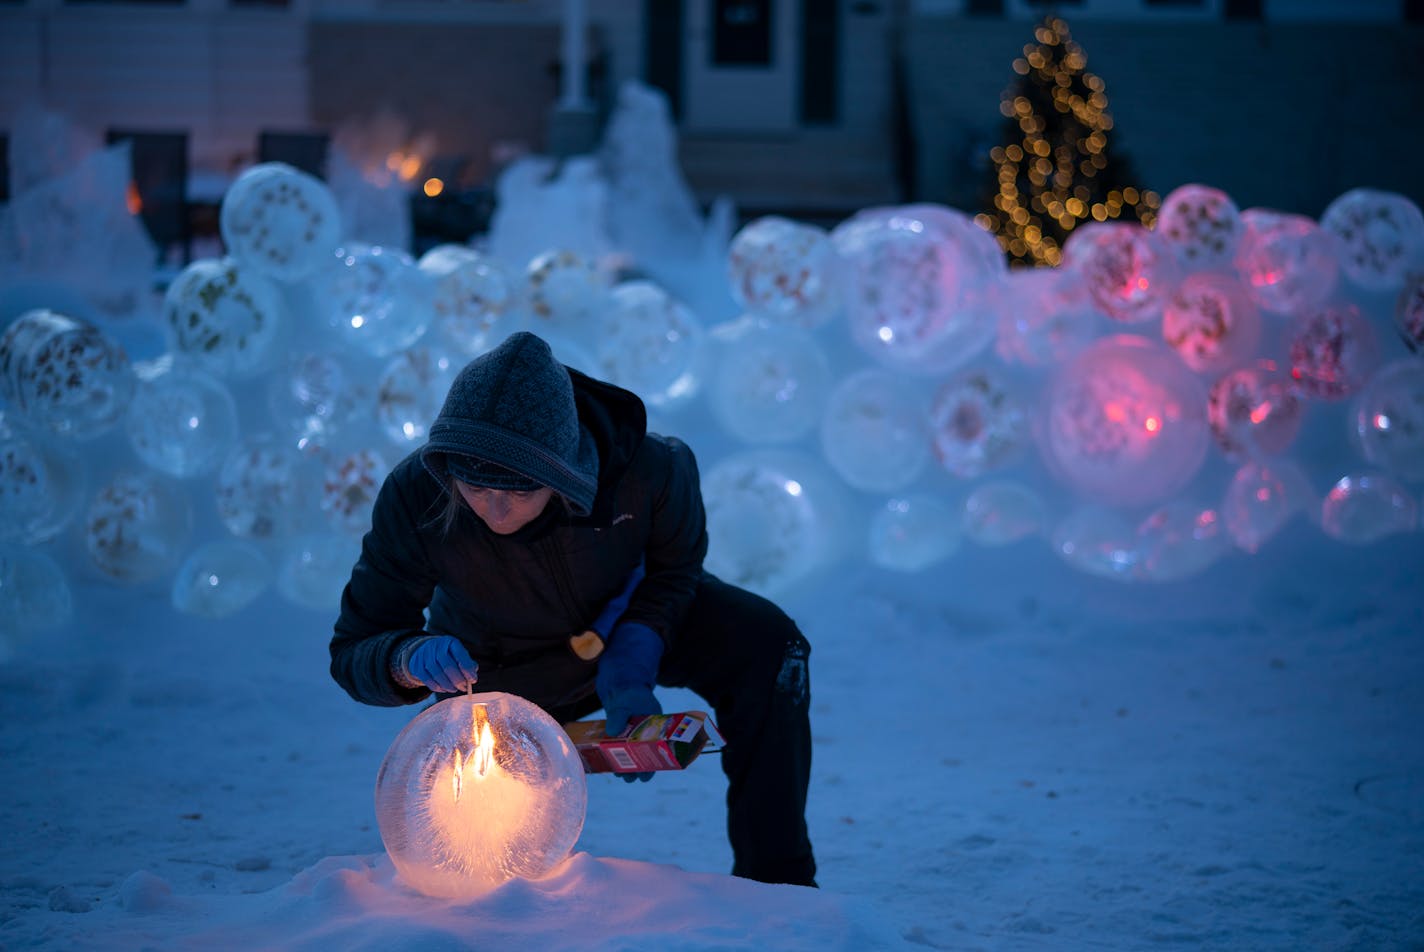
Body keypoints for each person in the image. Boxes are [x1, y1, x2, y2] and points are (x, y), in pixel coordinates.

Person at [330, 331, 817, 887]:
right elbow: (355, 645)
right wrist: (405, 657)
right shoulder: (416, 495)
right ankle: (490, 907)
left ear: (561, 474)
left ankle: (781, 884)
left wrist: (636, 648)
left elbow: (676, 570)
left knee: (769, 646)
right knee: (471, 828)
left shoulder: (650, 469)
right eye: (473, 485)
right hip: (496, 666)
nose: (493, 507)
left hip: (626, 623)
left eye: (517, 489)